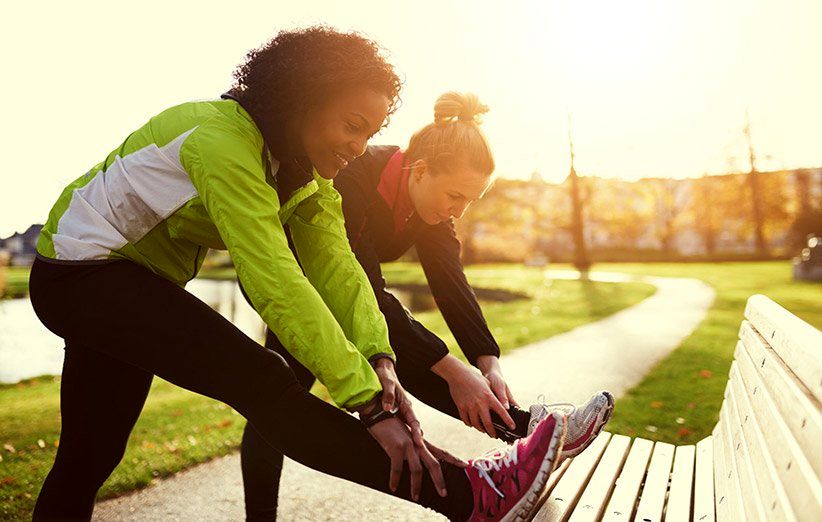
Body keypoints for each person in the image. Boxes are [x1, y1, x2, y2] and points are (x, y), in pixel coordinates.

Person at [28, 27, 569, 522]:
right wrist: (367, 401)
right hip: (81, 276)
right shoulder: (222, 143)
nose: (359, 147)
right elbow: (276, 278)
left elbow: (341, 273)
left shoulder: (303, 176)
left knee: (89, 456)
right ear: (300, 100)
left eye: (371, 132)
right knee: (261, 379)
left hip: (125, 284)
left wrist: (379, 362)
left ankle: (477, 488)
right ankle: (471, 493)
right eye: (352, 126)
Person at [239, 92, 615, 520]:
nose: (459, 209)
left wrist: (485, 359)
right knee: (280, 396)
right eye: (455, 196)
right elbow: (359, 286)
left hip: (350, 292)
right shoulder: (356, 176)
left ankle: (530, 431)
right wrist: (451, 367)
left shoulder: (430, 207)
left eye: (469, 202)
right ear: (419, 171)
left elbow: (450, 281)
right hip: (298, 286)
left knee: (410, 361)